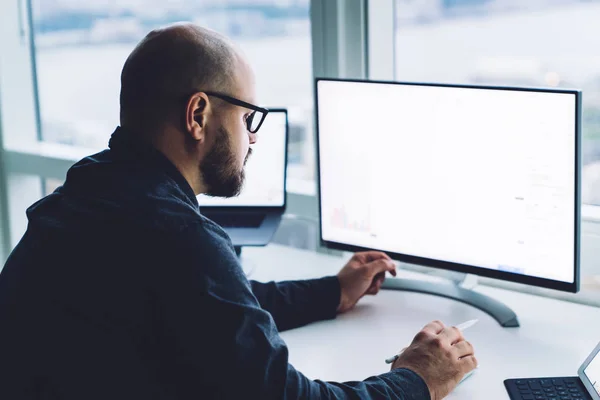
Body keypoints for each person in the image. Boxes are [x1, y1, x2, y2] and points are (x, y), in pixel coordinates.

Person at [0, 23, 476, 400]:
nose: (252, 137)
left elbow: (213, 307)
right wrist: (418, 379)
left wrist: (333, 291)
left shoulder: (88, 192)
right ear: (198, 115)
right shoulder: (178, 237)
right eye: (248, 117)